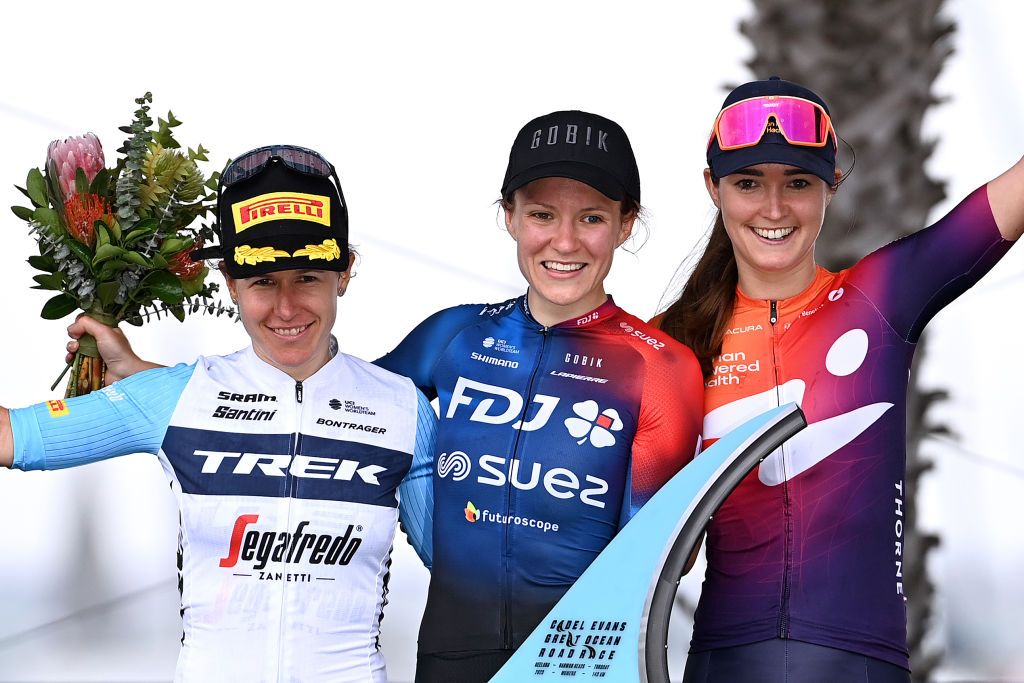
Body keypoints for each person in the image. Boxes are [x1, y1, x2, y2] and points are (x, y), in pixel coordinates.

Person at [69, 111, 707, 682]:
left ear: (625, 225)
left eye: (591, 218)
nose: (564, 242)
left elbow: (663, 561)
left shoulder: (661, 368)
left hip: (583, 661)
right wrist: (145, 377)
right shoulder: (452, 336)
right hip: (452, 658)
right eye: (542, 214)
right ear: (509, 216)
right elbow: (317, 406)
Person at [2, 144, 437, 683]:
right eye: (262, 282)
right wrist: (144, 378)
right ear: (230, 283)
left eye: (306, 277)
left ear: (344, 273)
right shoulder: (174, 396)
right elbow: (12, 435)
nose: (285, 307)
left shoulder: (402, 408)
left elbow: (471, 574)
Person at [655, 77, 1022, 683]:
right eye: (748, 183)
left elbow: (1010, 198)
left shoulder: (879, 297)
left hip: (862, 662)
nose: (775, 209)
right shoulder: (668, 344)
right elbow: (662, 549)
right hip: (726, 662)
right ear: (712, 188)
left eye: (798, 183)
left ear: (833, 185)